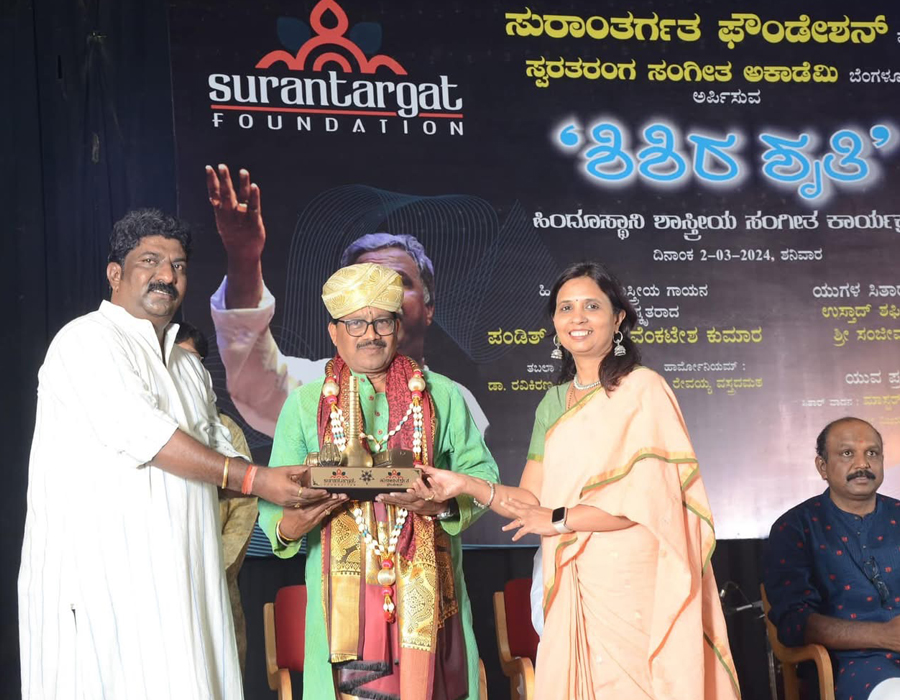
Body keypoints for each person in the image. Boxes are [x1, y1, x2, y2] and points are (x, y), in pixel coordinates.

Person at [18, 209, 315, 700]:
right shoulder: (85, 340)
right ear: (115, 273)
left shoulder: (187, 365)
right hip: (102, 586)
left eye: (178, 265)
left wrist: (311, 482)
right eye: (150, 261)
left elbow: (220, 450)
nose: (167, 275)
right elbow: (147, 435)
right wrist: (256, 480)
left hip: (183, 585)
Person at [418, 261, 741, 699]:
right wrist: (466, 485)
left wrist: (560, 519)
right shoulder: (553, 403)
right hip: (572, 572)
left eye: (592, 306)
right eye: (566, 307)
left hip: (633, 575)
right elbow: (530, 500)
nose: (578, 318)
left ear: (618, 318)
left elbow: (646, 503)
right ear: (554, 322)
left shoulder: (644, 390)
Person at [258, 262, 499, 700]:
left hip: (429, 594)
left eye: (382, 321)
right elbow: (274, 509)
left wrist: (441, 505)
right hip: (345, 604)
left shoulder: (442, 395)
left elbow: (483, 476)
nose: (370, 334)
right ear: (334, 332)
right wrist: (296, 521)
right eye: (355, 323)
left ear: (398, 327)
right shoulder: (305, 404)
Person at [204, 164, 487, 438]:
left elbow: (474, 470)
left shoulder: (455, 399)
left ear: (428, 308)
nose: (381, 297)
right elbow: (254, 374)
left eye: (398, 281)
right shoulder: (311, 388)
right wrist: (244, 258)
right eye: (365, 283)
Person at [763, 417, 900, 700]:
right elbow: (794, 622)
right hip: (847, 663)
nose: (862, 464)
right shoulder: (795, 528)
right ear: (822, 467)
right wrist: (882, 635)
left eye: (872, 453)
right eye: (847, 453)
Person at [176, 321, 258, 675]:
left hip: (217, 584)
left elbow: (245, 507)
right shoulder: (150, 426)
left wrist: (212, 567)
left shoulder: (226, 431)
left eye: (190, 361)